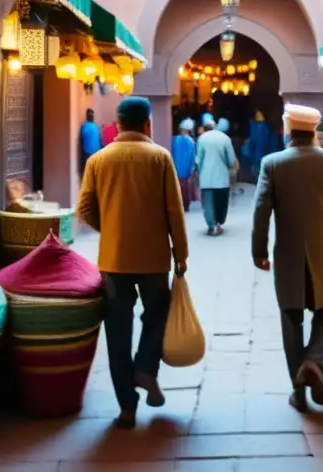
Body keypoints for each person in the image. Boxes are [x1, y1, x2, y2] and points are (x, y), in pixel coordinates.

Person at [78, 97, 190, 430]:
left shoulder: (98, 160)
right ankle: (145, 368)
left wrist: (110, 229)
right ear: (147, 125)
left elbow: (84, 209)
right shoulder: (159, 157)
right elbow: (174, 210)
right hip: (155, 258)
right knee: (158, 314)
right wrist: (180, 254)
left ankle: (127, 407)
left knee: (117, 331)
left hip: (114, 260)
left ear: (118, 124)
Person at [252, 104, 323, 412]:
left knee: (292, 316)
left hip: (288, 251)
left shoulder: (272, 163)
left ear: (288, 128)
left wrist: (259, 251)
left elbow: (261, 211)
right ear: (314, 130)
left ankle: (298, 391)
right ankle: (315, 360)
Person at [196, 113, 237, 236]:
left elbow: (199, 159)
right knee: (221, 202)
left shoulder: (202, 139)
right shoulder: (225, 138)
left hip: (206, 178)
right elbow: (231, 160)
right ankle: (218, 223)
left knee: (208, 203)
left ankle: (211, 225)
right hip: (222, 178)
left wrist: (199, 172)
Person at [171, 118, 197, 211]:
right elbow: (193, 156)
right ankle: (186, 205)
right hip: (187, 169)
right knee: (186, 187)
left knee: (177, 186)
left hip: (176, 167)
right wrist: (193, 169)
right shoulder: (191, 141)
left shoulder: (174, 139)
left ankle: (179, 204)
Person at [78, 108, 102, 178]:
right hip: (93, 153)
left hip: (89, 153)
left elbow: (82, 139)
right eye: (91, 114)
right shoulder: (94, 126)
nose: (92, 116)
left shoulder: (86, 126)